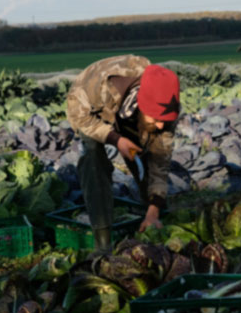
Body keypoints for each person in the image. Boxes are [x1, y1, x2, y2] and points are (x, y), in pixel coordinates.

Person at [66, 55, 180, 252]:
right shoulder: (96, 88)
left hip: (132, 112)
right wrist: (116, 139)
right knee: (93, 157)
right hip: (93, 113)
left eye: (165, 120)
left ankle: (153, 216)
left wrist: (154, 208)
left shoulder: (166, 98)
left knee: (145, 155)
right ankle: (102, 238)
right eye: (156, 118)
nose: (162, 124)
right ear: (142, 105)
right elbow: (81, 119)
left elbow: (160, 162)